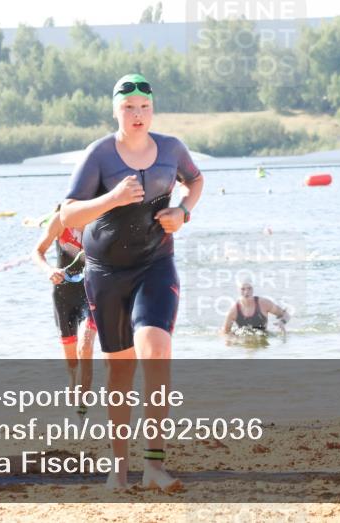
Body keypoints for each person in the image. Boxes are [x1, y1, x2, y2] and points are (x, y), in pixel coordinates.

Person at [60, 73, 203, 493]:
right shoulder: (99, 155)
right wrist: (111, 199)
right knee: (120, 373)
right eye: (128, 108)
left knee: (156, 352)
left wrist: (183, 212)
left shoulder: (172, 149)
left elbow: (195, 181)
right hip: (106, 274)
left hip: (155, 264)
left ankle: (155, 465)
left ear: (152, 110)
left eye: (144, 107)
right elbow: (68, 215)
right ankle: (118, 468)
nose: (137, 115)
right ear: (115, 111)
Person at [33, 204, 96, 411]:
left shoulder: (100, 218)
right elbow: (37, 252)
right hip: (63, 294)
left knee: (86, 346)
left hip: (92, 291)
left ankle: (83, 406)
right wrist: (49, 270)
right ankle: (72, 379)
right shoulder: (60, 220)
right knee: (71, 360)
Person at [221, 280, 290, 334]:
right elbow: (225, 333)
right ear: (238, 290)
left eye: (249, 288)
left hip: (263, 342)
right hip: (243, 345)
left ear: (253, 289)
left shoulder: (264, 303)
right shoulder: (234, 311)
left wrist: (282, 322)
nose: (246, 292)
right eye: (243, 289)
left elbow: (286, 315)